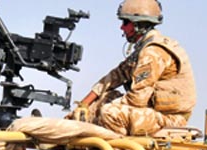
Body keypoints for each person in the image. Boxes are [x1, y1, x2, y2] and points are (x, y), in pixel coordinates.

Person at [71, 0, 197, 136]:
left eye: (126, 22)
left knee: (109, 112)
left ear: (138, 25)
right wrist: (84, 105)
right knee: (102, 101)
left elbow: (138, 99)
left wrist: (107, 106)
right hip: (152, 113)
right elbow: (115, 76)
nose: (122, 28)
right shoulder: (144, 47)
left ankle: (120, 149)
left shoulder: (153, 52)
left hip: (170, 118)